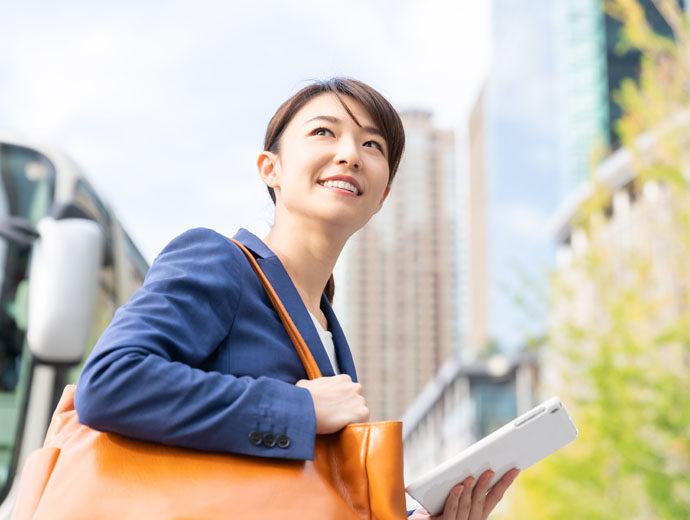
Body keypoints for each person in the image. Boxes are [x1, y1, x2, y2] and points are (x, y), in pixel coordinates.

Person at [74, 77, 518, 519]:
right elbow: (111, 382)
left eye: (373, 145)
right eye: (324, 132)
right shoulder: (219, 261)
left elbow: (303, 496)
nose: (349, 154)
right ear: (271, 168)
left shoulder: (327, 331)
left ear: (382, 196)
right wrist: (298, 408)